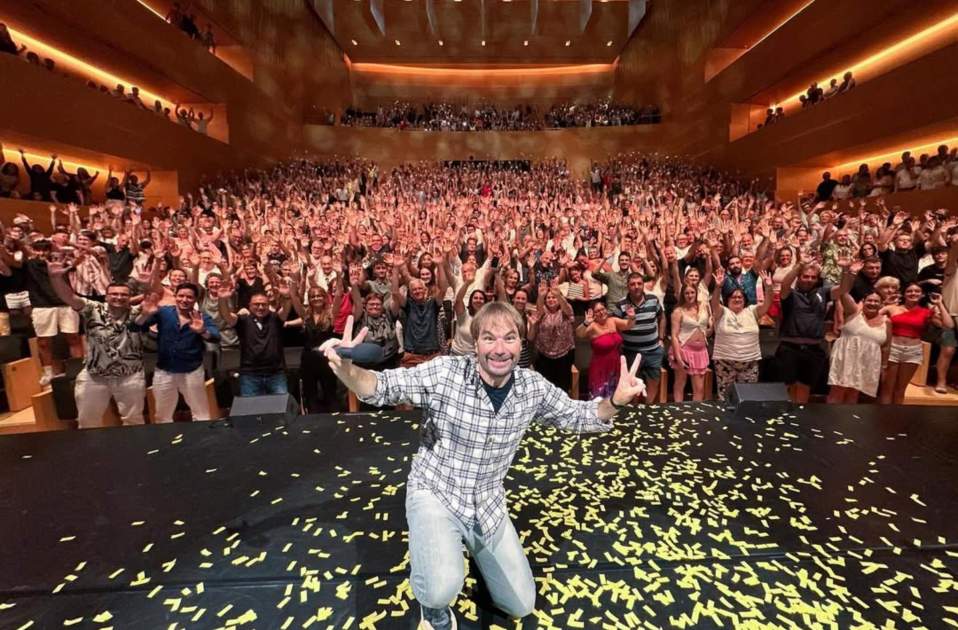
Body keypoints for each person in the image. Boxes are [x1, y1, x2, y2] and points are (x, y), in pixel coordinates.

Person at [320, 304, 647, 630]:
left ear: (521, 344)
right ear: (475, 344)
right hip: (436, 493)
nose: (500, 349)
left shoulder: (531, 388)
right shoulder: (446, 373)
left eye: (509, 338)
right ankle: (434, 610)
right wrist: (346, 369)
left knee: (520, 604)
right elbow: (381, 388)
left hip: (487, 503)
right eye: (489, 338)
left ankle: (471, 549)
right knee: (441, 587)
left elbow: (580, 416)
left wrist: (615, 401)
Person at [46, 262, 146, 427]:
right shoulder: (93, 309)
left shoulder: (138, 313)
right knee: (87, 422)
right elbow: (69, 297)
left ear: (130, 298)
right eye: (114, 294)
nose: (119, 297)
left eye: (123, 295)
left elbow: (157, 296)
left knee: (134, 421)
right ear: (106, 296)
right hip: (94, 376)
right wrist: (55, 278)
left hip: (130, 375)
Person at [135, 283, 219, 422]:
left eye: (189, 297)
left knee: (201, 414)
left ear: (195, 299)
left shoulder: (202, 317)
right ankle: (166, 442)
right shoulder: (164, 312)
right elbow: (137, 326)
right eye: (181, 296)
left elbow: (215, 337)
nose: (184, 300)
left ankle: (204, 442)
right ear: (175, 296)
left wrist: (202, 331)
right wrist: (144, 314)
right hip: (164, 371)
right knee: (162, 416)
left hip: (192, 371)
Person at [774, 259, 841, 403]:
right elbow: (785, 284)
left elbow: (843, 289)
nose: (809, 280)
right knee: (787, 387)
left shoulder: (822, 292)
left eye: (813, 277)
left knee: (805, 387)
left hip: (813, 349)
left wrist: (849, 271)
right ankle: (786, 418)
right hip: (789, 348)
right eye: (805, 276)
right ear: (798, 277)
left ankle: (799, 418)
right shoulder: (789, 294)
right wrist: (799, 265)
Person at [827, 261, 890, 403]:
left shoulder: (887, 322)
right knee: (837, 392)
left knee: (854, 395)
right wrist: (848, 272)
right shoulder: (854, 312)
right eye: (869, 300)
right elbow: (843, 292)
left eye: (876, 302)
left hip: (868, 361)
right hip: (846, 357)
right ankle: (829, 422)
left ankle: (848, 423)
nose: (872, 303)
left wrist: (884, 367)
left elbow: (886, 346)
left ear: (881, 304)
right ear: (863, 301)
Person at [879, 284, 953, 404]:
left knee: (900, 390)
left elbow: (948, 325)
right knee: (887, 388)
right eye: (909, 291)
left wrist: (939, 304)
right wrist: (885, 303)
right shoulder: (892, 308)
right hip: (893, 349)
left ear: (922, 294)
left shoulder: (926, 312)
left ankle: (895, 420)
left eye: (917, 291)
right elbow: (872, 316)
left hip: (913, 351)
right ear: (904, 294)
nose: (913, 293)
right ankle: (882, 419)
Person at [217, 284, 291, 396]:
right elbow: (226, 315)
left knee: (280, 409)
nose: (260, 307)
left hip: (276, 373)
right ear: (249, 305)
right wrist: (222, 300)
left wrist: (286, 297)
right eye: (256, 304)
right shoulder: (243, 320)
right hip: (250, 374)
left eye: (264, 304)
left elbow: (285, 310)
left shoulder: (275, 318)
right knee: (251, 410)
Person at [710, 268, 772, 400]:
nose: (737, 299)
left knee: (748, 398)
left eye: (740, 297)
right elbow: (714, 302)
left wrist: (769, 288)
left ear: (745, 300)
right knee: (725, 398)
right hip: (725, 362)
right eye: (733, 297)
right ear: (727, 300)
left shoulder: (752, 310)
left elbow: (767, 304)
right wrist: (718, 287)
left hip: (749, 363)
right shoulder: (722, 312)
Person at [614, 272, 665, 403]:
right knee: (632, 385)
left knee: (653, 381)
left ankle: (648, 407)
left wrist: (661, 338)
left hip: (652, 350)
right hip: (630, 351)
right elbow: (615, 324)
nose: (636, 286)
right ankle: (635, 411)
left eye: (639, 283)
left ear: (643, 285)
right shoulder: (621, 304)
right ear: (627, 286)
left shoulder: (653, 300)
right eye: (632, 284)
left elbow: (662, 317)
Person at [576, 302, 630, 399]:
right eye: (597, 311)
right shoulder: (592, 326)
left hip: (616, 365)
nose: (601, 312)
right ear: (593, 314)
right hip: (600, 368)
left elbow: (628, 325)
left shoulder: (613, 320)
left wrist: (632, 317)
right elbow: (579, 334)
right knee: (599, 399)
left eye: (602, 309)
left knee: (615, 399)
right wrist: (586, 323)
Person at [669, 282, 713, 401]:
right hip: (684, 350)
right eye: (686, 293)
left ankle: (694, 414)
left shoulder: (704, 307)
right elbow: (674, 335)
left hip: (700, 351)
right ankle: (679, 412)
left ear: (696, 293)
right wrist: (678, 357)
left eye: (692, 292)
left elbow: (708, 328)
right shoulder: (678, 311)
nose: (689, 295)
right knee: (680, 384)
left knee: (699, 388)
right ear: (683, 294)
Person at [529, 283, 576, 392]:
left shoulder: (565, 309)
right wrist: (541, 296)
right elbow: (539, 309)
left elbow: (568, 310)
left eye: (553, 297)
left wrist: (558, 295)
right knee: (545, 386)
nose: (551, 299)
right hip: (544, 354)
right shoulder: (543, 311)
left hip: (564, 354)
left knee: (562, 386)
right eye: (548, 298)